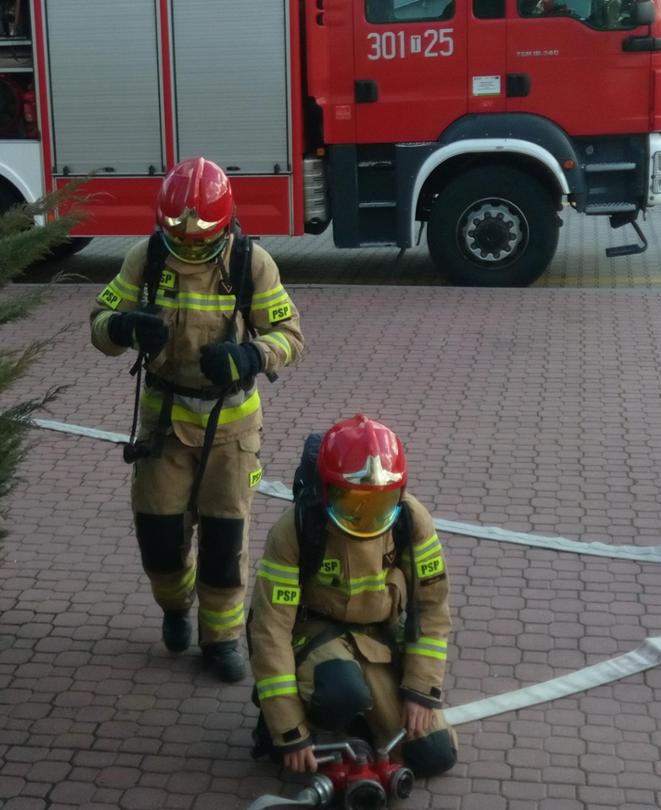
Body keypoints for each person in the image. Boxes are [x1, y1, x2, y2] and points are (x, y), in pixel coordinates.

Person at [89, 157, 305, 683]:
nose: (187, 247)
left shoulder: (251, 263)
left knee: (224, 548)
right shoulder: (147, 257)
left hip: (231, 433)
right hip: (162, 428)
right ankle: (173, 606)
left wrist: (250, 357)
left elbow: (289, 336)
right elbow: (99, 323)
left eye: (199, 240)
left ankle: (221, 640)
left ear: (225, 223)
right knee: (160, 542)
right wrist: (124, 328)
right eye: (177, 237)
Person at [247, 415, 459, 778]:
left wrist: (421, 689)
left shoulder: (410, 519)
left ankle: (360, 718)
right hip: (315, 638)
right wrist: (290, 732)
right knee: (340, 693)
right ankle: (294, 719)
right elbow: (270, 630)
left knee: (434, 754)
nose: (367, 516)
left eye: (381, 502)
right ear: (327, 490)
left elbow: (432, 607)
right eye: (353, 501)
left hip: (378, 640)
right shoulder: (296, 529)